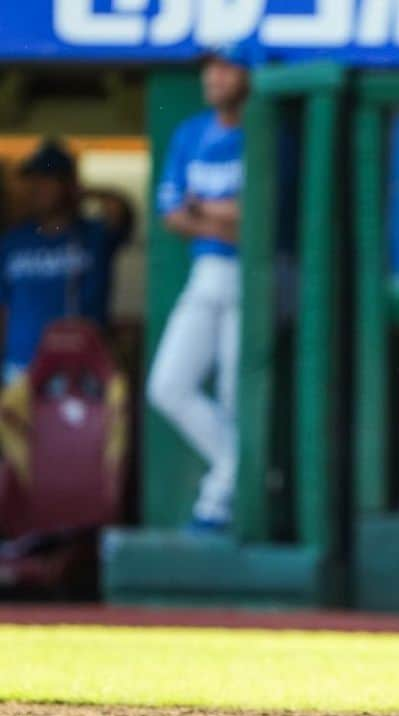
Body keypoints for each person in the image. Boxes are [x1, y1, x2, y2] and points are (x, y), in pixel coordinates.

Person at [147, 43, 254, 531]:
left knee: (237, 396)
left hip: (251, 277)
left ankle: (221, 497)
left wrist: (203, 209)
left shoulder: (259, 128)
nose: (214, 77)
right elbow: (172, 212)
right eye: (210, 68)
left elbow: (254, 217)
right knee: (167, 386)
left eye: (225, 67)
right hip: (206, 271)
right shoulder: (191, 132)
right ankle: (232, 473)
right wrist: (223, 215)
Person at [0, 140, 132, 384]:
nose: (36, 188)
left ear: (68, 183)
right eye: (33, 179)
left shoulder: (94, 234)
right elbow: (4, 308)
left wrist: (84, 192)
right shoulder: (13, 241)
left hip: (79, 367)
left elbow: (120, 209)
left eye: (46, 179)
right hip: (20, 366)